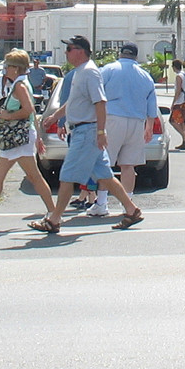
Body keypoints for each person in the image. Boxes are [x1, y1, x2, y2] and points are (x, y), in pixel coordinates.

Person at [28, 35, 146, 234]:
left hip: (87, 132)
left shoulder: (90, 72)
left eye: (69, 49)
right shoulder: (80, 72)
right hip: (83, 131)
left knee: (67, 176)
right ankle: (132, 210)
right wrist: (55, 116)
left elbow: (100, 102)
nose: (66, 53)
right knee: (104, 175)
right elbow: (74, 101)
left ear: (80, 51)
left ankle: (54, 220)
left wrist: (101, 132)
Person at [0, 49, 56, 230]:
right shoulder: (21, 83)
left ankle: (53, 212)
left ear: (16, 68)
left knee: (32, 176)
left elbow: (28, 109)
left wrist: (8, 116)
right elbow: (32, 112)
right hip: (20, 137)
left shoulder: (19, 86)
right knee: (2, 175)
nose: (5, 68)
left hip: (18, 137)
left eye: (8, 65)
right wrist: (38, 136)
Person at [100, 42, 160, 197]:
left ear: (120, 53)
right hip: (136, 122)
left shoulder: (108, 70)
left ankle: (101, 202)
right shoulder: (145, 76)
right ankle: (128, 201)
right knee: (128, 165)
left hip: (112, 119)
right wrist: (149, 127)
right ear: (136, 56)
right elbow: (151, 106)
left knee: (105, 163)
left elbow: (96, 94)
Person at [169, 58, 185, 150]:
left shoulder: (179, 76)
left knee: (172, 121)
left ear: (174, 67)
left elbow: (178, 91)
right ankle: (184, 143)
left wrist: (173, 103)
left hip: (180, 102)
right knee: (182, 121)